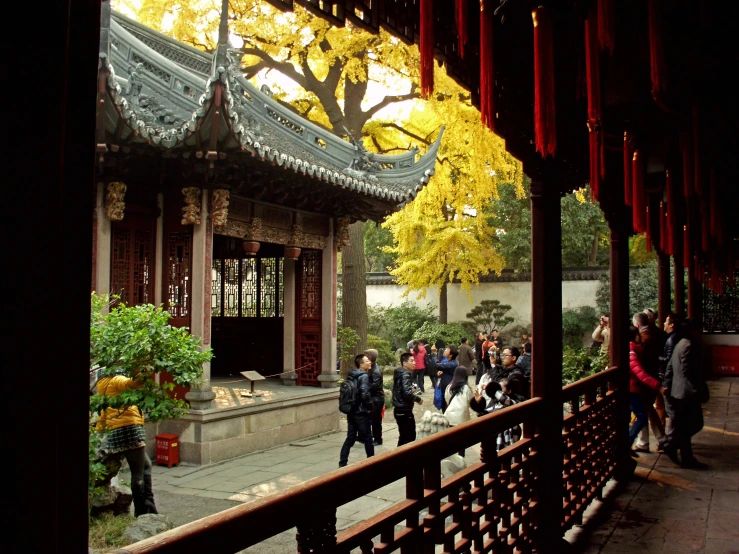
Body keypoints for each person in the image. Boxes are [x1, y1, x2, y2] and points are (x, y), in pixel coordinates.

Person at [95, 373, 158, 517]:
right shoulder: (116, 380)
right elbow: (131, 383)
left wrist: (99, 431)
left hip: (116, 432)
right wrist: (145, 372)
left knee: (146, 465)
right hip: (130, 428)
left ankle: (148, 504)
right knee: (138, 471)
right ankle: (143, 509)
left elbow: (103, 413)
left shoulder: (103, 386)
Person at [661, 319, 708, 468]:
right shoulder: (689, 345)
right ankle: (674, 447)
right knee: (694, 423)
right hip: (687, 392)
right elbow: (689, 370)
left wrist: (667, 384)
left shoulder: (680, 343)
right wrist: (698, 387)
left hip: (678, 391)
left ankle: (684, 455)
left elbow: (670, 367)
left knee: (685, 426)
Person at [632, 311, 667, 453]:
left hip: (645, 380)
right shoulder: (657, 334)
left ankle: (652, 441)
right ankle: (650, 440)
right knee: (646, 410)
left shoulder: (644, 340)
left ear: (637, 324)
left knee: (645, 411)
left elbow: (641, 366)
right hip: (653, 377)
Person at [627, 325, 662, 455]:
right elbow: (640, 373)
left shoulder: (635, 350)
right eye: (638, 334)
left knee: (639, 415)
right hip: (631, 389)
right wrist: (657, 385)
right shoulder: (631, 352)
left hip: (632, 389)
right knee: (642, 416)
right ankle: (628, 442)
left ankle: (630, 443)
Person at [339, 354, 375, 467]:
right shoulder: (363, 376)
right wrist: (370, 407)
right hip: (361, 412)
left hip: (351, 411)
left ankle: (342, 462)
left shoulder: (352, 375)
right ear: (361, 364)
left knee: (350, 437)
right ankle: (372, 462)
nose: (369, 362)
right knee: (368, 438)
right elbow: (364, 394)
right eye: (367, 361)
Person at [470, 377, 525, 451]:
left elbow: (505, 399)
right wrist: (479, 403)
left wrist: (491, 388)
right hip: (498, 440)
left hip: (510, 440)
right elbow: (484, 414)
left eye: (500, 389)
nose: (498, 392)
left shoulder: (514, 403)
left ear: (509, 391)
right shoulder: (497, 405)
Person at [392, 352, 423, 446]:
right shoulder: (405, 374)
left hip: (399, 408)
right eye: (411, 361)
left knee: (403, 437)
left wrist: (411, 390)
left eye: (414, 360)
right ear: (404, 363)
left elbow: (402, 390)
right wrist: (418, 399)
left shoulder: (400, 373)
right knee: (409, 437)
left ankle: (397, 458)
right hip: (404, 409)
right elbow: (407, 393)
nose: (414, 363)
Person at [444, 365, 474, 456]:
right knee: (461, 441)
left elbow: (447, 398)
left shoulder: (449, 386)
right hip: (462, 418)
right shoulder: (466, 388)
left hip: (449, 416)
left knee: (451, 439)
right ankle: (461, 457)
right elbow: (470, 401)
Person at [365, 349, 384, 446]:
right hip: (373, 398)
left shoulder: (375, 371)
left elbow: (375, 386)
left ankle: (378, 439)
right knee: (371, 419)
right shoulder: (370, 368)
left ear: (371, 358)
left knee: (376, 420)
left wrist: (364, 387)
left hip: (376, 398)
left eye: (366, 356)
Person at [436, 345, 459, 412]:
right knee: (444, 407)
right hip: (445, 388)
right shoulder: (448, 362)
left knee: (448, 408)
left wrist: (433, 354)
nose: (445, 350)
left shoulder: (453, 363)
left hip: (448, 389)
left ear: (450, 355)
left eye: (447, 350)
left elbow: (437, 365)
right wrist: (442, 372)